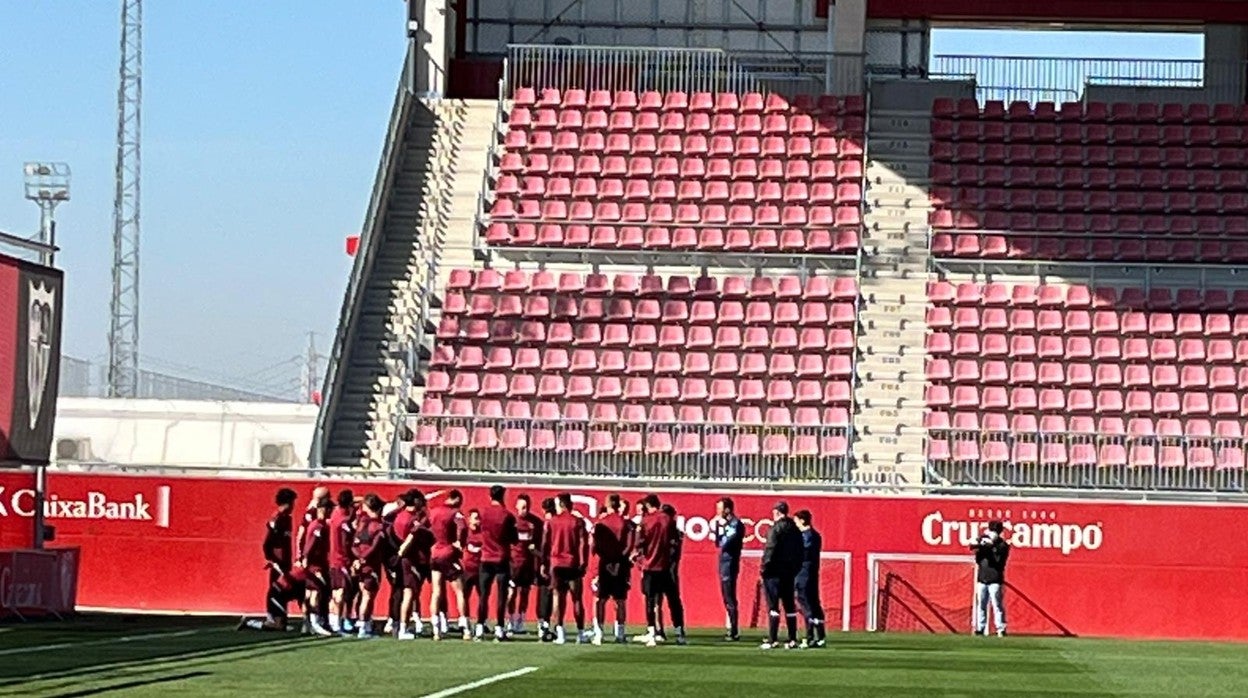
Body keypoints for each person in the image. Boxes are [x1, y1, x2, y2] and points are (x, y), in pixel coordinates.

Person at [240, 487, 300, 631]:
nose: (293, 506)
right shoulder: (276, 519)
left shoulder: (287, 519)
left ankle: (279, 620)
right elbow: (267, 542)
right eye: (292, 502)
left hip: (285, 562)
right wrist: (271, 559)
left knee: (283, 589)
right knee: (277, 589)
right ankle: (263, 620)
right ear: (287, 502)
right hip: (278, 563)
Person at [632, 494, 686, 647]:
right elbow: (675, 539)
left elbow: (640, 542)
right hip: (666, 567)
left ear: (648, 505)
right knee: (673, 600)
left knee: (650, 600)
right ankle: (679, 633)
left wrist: (638, 555)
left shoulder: (646, 521)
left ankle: (652, 633)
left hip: (650, 566)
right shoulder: (668, 519)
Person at [543, 493, 589, 644]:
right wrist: (583, 562)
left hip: (557, 564)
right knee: (577, 599)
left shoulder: (552, 521)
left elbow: (545, 543)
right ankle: (580, 633)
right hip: (573, 564)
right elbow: (583, 543)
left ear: (560, 505)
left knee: (558, 598)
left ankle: (560, 633)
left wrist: (544, 563)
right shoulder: (577, 521)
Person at [427, 489, 470, 641]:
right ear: (456, 499)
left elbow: (426, 526)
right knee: (460, 591)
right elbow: (463, 527)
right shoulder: (455, 513)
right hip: (448, 553)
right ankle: (465, 627)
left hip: (435, 554)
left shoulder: (433, 511)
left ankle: (436, 629)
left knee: (436, 592)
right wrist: (459, 543)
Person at [476, 485, 517, 641]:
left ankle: (480, 626)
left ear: (490, 496)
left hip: (486, 558)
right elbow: (514, 539)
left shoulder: (483, 513)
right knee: (501, 595)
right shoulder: (507, 516)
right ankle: (499, 628)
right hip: (501, 558)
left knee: (483, 595)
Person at [760, 501, 803, 650]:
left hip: (773, 573)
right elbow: (800, 553)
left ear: (777, 512)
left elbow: (770, 549)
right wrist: (794, 569)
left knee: (773, 607)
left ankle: (773, 639)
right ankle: (792, 639)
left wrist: (764, 568)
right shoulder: (795, 530)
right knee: (790, 607)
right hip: (789, 574)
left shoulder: (775, 529)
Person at [591, 493, 632, 645]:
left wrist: (606, 559)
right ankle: (620, 634)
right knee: (620, 600)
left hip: (605, 565)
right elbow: (629, 545)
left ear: (607, 504)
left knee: (599, 599)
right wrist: (620, 559)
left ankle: (599, 633)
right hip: (620, 565)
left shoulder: (601, 523)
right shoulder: (625, 523)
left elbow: (595, 546)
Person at [394, 490, 433, 639]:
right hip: (412, 560)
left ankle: (407, 624)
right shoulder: (410, 519)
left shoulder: (400, 516)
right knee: (409, 593)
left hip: (411, 559)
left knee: (412, 593)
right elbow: (413, 536)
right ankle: (403, 628)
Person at [350, 494, 389, 638]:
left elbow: (354, 545)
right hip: (371, 565)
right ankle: (363, 627)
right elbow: (374, 547)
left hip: (361, 564)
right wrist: (363, 559)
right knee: (368, 596)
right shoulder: (377, 526)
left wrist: (358, 558)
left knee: (364, 594)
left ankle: (366, 624)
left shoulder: (362, 524)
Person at [506, 494, 543, 634]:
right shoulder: (511, 521)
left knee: (525, 593)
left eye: (526, 507)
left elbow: (540, 544)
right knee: (511, 593)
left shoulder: (536, 523)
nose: (523, 510)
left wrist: (536, 552)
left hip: (528, 563)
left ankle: (520, 620)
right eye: (521, 507)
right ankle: (510, 620)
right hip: (513, 563)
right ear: (516, 506)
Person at [299, 496, 335, 636]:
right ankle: (315, 623)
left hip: (317, 563)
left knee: (309, 592)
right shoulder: (318, 526)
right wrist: (306, 558)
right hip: (315, 565)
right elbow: (310, 544)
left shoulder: (319, 525)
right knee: (316, 591)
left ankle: (307, 623)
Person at [712, 496, 744, 641]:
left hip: (729, 565)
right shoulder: (725, 524)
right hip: (724, 564)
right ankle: (731, 627)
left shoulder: (735, 524)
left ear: (727, 509)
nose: (717, 511)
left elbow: (725, 543)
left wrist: (722, 527)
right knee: (726, 598)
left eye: (720, 508)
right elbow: (718, 543)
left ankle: (734, 630)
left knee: (730, 598)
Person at [794, 510, 826, 648]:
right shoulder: (815, 535)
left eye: (796, 521)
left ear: (802, 521)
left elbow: (803, 552)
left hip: (804, 575)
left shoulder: (807, 536)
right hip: (811, 574)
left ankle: (809, 637)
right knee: (814, 604)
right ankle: (820, 636)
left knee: (807, 605)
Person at [971, 520, 1010, 637]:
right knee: (981, 604)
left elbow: (999, 561)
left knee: (997, 604)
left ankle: (1000, 628)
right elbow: (977, 557)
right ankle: (980, 628)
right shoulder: (983, 542)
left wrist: (991, 546)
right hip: (982, 577)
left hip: (995, 579)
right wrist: (980, 546)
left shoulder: (1002, 545)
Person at [327, 489, 356, 634]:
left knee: (335, 591)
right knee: (341, 592)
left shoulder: (335, 513)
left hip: (333, 560)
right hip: (342, 561)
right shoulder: (344, 522)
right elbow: (346, 545)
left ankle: (334, 621)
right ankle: (337, 624)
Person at [535, 497, 557, 641]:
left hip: (547, 561)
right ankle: (553, 626)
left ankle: (543, 625)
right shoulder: (556, 522)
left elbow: (544, 545)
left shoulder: (546, 524)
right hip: (557, 561)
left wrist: (540, 558)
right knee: (555, 594)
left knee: (544, 594)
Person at [462, 509, 484, 617]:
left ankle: (482, 621)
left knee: (483, 596)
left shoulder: (483, 534)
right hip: (467, 570)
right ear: (469, 520)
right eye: (475, 518)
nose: (477, 521)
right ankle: (465, 620)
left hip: (480, 570)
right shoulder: (465, 533)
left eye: (478, 519)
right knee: (464, 596)